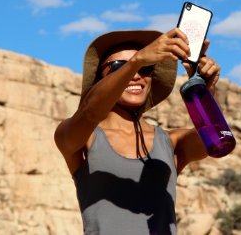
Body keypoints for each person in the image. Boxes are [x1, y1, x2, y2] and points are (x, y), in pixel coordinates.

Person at [54, 28, 221, 235]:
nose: (136, 76)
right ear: (100, 80)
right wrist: (138, 61)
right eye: (118, 66)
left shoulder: (171, 142)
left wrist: (204, 90)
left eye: (146, 69)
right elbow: (89, 113)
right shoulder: (83, 137)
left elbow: (213, 138)